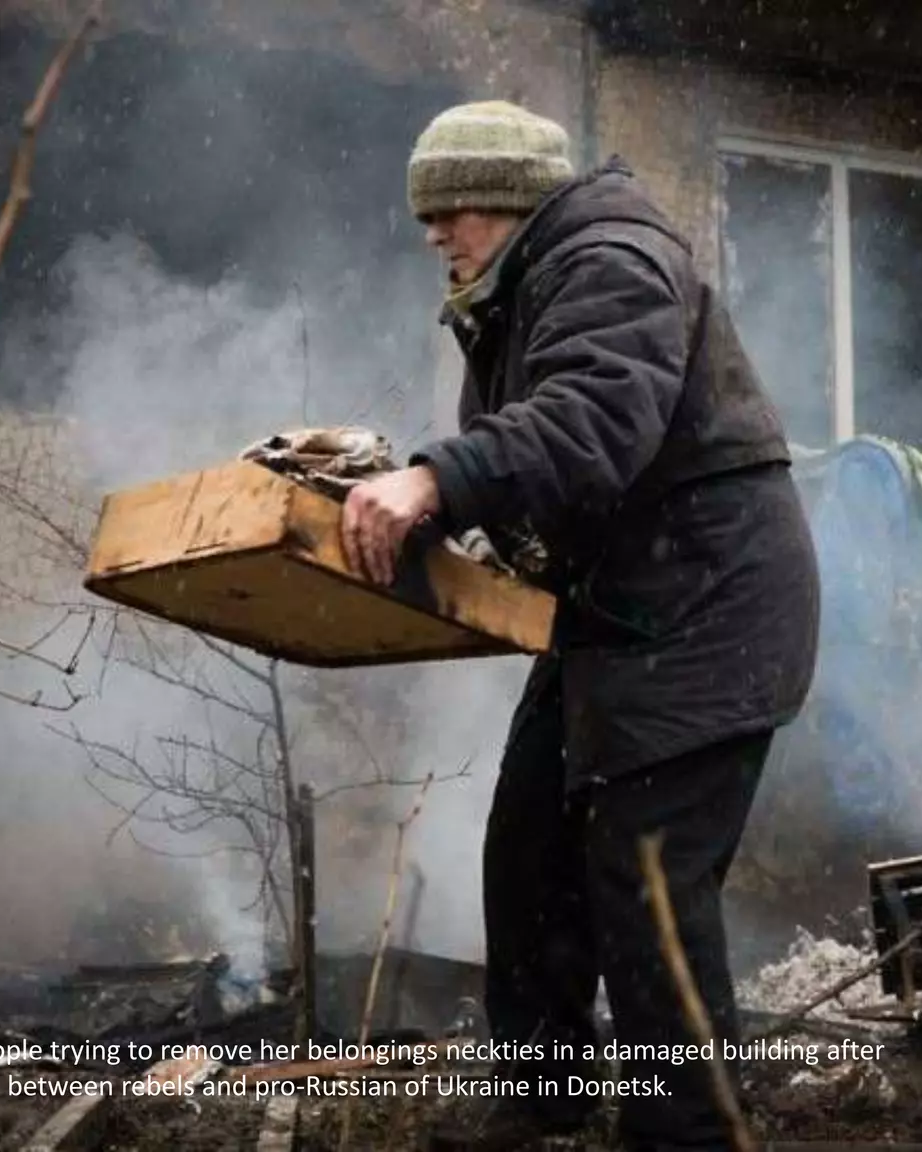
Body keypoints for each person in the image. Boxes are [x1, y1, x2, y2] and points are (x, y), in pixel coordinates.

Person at [341, 102, 821, 1151]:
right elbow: (558, 461)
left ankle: (690, 1133)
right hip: (621, 613)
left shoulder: (608, 260)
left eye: (451, 212)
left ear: (509, 201)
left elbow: (595, 420)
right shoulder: (527, 281)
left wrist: (436, 479)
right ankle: (545, 1108)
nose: (435, 236)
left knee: (646, 885)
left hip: (704, 615)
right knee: (529, 854)